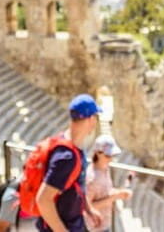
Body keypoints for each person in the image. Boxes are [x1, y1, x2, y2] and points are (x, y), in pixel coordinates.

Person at [36, 94, 104, 232]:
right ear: (91, 119)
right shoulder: (66, 157)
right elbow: (43, 200)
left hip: (74, 223)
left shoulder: (74, 146)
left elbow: (77, 184)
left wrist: (88, 209)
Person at [83, 135, 132, 232]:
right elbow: (87, 207)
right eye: (108, 155)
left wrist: (119, 193)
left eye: (112, 155)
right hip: (94, 227)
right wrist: (114, 197)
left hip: (104, 223)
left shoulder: (105, 168)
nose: (111, 159)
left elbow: (105, 192)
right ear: (98, 153)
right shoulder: (91, 178)